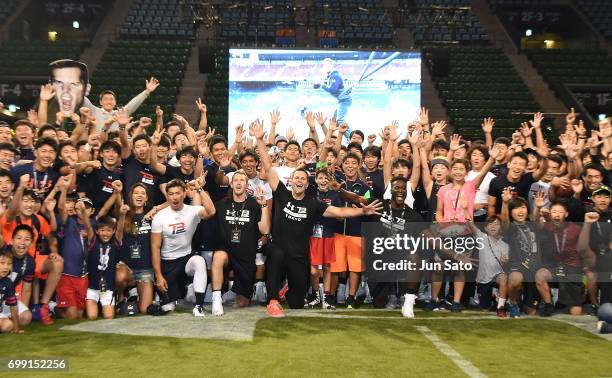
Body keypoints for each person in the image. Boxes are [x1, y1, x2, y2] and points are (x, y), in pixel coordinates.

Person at [252, 120, 382, 317]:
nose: (299, 180)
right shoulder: (282, 193)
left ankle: (289, 291)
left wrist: (362, 211)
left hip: (299, 256)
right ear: (292, 181)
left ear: (306, 184)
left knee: (296, 304)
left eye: (303, 179)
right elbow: (269, 168)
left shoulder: (313, 204)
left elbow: (339, 212)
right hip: (280, 249)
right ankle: (272, 300)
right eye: (297, 178)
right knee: (275, 254)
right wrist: (260, 140)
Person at [1, 174, 62, 325]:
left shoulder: (37, 219)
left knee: (58, 262)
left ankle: (43, 306)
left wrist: (54, 253)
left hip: (31, 261)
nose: (29, 205)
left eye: (32, 201)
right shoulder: (10, 219)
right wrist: (21, 187)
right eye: (25, 201)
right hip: (9, 263)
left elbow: (52, 238)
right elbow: (12, 209)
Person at [151, 179, 215, 317]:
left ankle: (198, 306)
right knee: (167, 308)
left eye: (178, 193)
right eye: (171, 194)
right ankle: (184, 290)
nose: (174, 197)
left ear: (184, 194)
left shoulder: (192, 210)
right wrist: (159, 275)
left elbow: (211, 211)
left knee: (199, 261)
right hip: (167, 263)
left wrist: (200, 190)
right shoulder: (159, 217)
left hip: (186, 258)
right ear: (167, 196)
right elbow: (155, 247)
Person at [210, 170, 270, 316]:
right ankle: (216, 298)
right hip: (226, 251)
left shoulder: (254, 204)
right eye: (235, 180)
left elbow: (265, 229)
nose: (238, 183)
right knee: (218, 257)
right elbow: (202, 210)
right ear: (231, 183)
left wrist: (264, 206)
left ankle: (238, 289)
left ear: (247, 185)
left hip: (246, 255)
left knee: (242, 303)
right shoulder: (221, 204)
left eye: (242, 180)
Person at [373, 176, 426, 317]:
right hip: (379, 259)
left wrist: (456, 255)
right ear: (391, 189)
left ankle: (408, 301)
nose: (400, 191)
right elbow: (356, 200)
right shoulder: (380, 205)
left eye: (403, 188)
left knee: (414, 257)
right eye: (397, 187)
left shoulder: (412, 215)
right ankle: (389, 293)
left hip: (401, 258)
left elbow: (431, 238)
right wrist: (339, 189)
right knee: (378, 303)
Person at [115, 184, 160, 313]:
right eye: (136, 193)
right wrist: (122, 216)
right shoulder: (124, 213)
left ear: (146, 198)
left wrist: (156, 208)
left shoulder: (152, 217)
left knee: (144, 309)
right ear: (131, 196)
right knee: (120, 276)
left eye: (143, 193)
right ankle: (122, 296)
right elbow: (118, 239)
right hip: (127, 267)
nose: (139, 195)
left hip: (145, 269)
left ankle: (133, 295)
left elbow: (170, 203)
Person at [305, 168, 342, 310]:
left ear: (331, 180)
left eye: (326, 178)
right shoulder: (311, 193)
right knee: (314, 270)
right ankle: (315, 296)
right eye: (320, 178)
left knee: (327, 267)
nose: (323, 181)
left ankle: (326, 298)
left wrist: (329, 209)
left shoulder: (335, 195)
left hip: (328, 233)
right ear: (315, 180)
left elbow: (340, 216)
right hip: (312, 234)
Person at [468, 216, 509, 317]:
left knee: (503, 277)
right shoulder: (482, 238)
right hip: (483, 280)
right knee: (484, 309)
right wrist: (465, 210)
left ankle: (500, 307)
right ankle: (492, 297)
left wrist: (505, 262)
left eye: (496, 224)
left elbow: (506, 265)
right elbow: (471, 225)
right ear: (486, 228)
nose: (493, 226)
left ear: (501, 228)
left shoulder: (505, 245)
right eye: (490, 224)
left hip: (497, 277)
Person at [3, 225, 35, 328]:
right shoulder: (2, 252)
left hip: (6, 299)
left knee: (26, 317)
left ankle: (6, 321)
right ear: (12, 240)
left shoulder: (30, 262)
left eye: (27, 239)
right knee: (7, 326)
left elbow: (26, 289)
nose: (22, 242)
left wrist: (24, 308)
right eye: (19, 238)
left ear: (31, 243)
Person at [314, 58, 352, 127]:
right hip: (341, 100)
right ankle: (334, 135)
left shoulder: (335, 76)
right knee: (334, 120)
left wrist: (322, 84)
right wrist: (318, 83)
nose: (325, 67)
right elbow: (317, 86)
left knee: (340, 120)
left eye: (327, 65)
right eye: (324, 66)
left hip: (344, 100)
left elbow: (333, 90)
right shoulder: (330, 76)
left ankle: (351, 137)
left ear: (332, 65)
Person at [0, 251, 21, 333]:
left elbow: (13, 306)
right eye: (2, 263)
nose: (6, 267)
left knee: (8, 325)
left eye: (9, 264)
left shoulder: (8, 282)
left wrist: (16, 329)